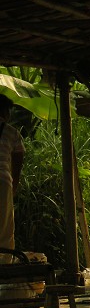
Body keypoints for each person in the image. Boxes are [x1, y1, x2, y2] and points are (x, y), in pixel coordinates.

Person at [0, 94, 25, 262]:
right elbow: (18, 162)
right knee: (4, 227)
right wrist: (14, 186)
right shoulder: (11, 132)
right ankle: (4, 265)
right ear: (5, 112)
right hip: (2, 181)